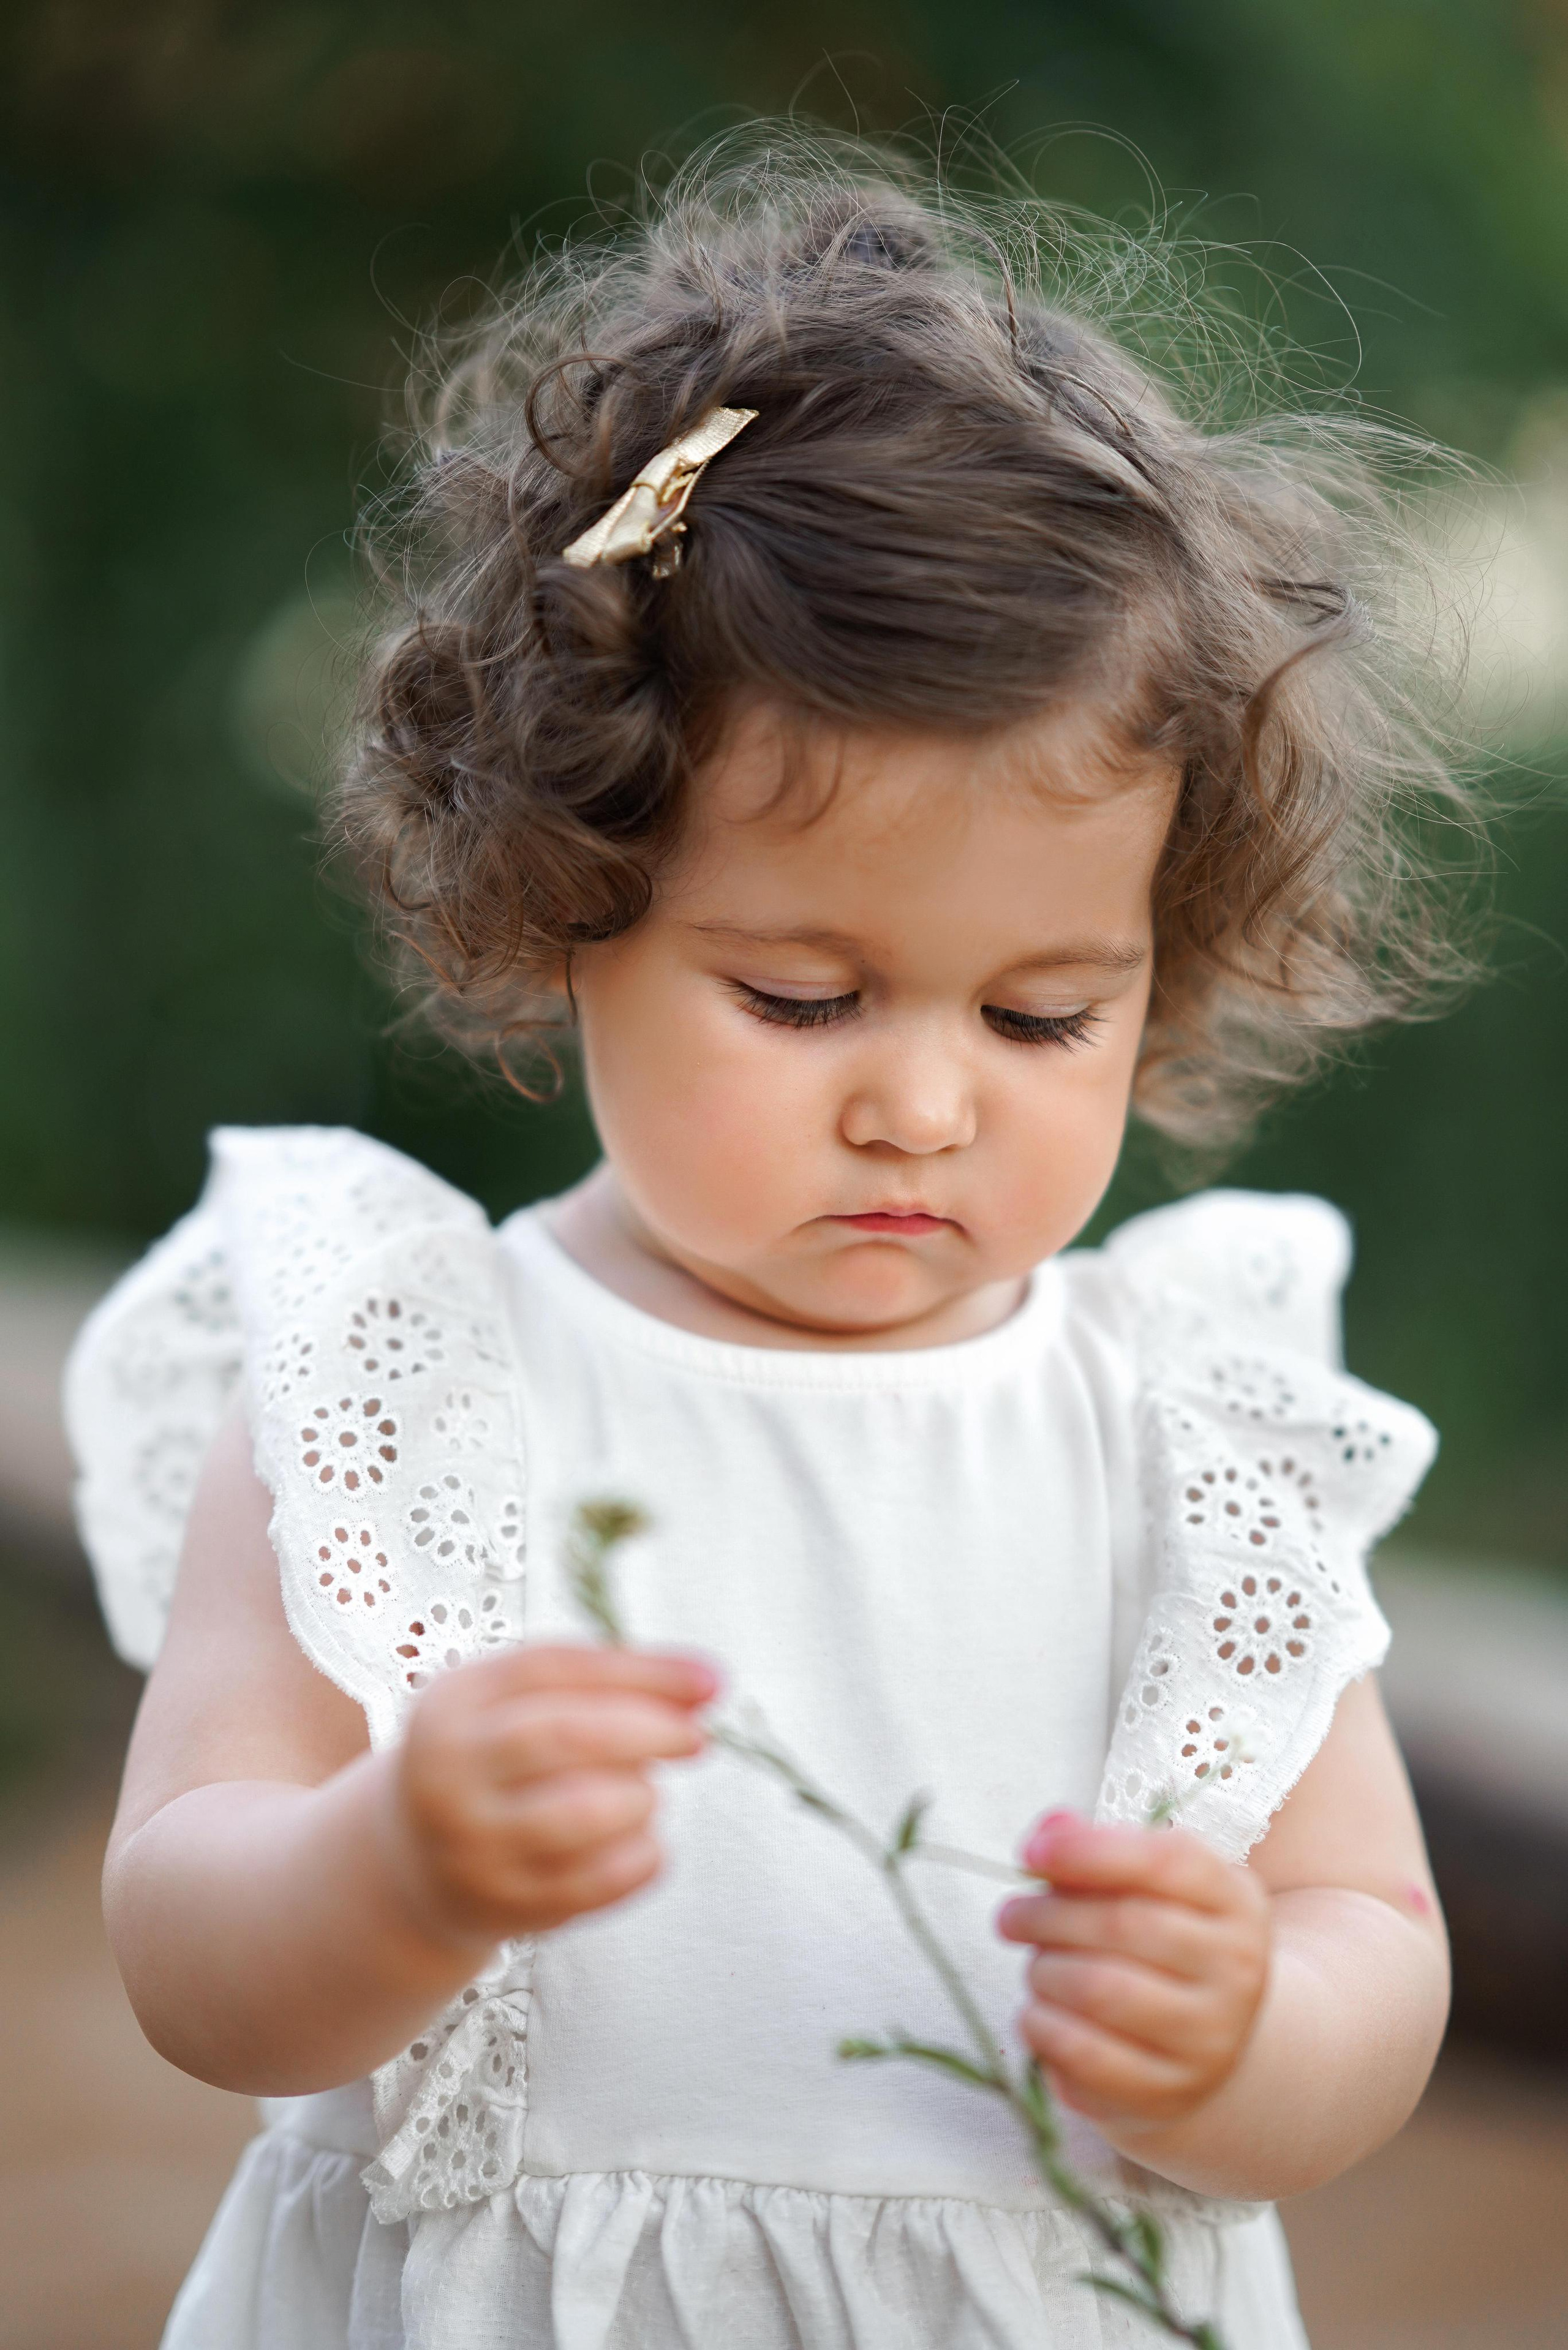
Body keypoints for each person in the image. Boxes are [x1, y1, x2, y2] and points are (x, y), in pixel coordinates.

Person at [66, 134, 1469, 2350]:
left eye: (1040, 1016)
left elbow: (1370, 1932)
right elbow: (188, 1950)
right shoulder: (396, 1385)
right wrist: (390, 1865)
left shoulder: (1191, 1431)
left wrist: (1248, 2034)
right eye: (805, 998)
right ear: (566, 900)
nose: (922, 1103)